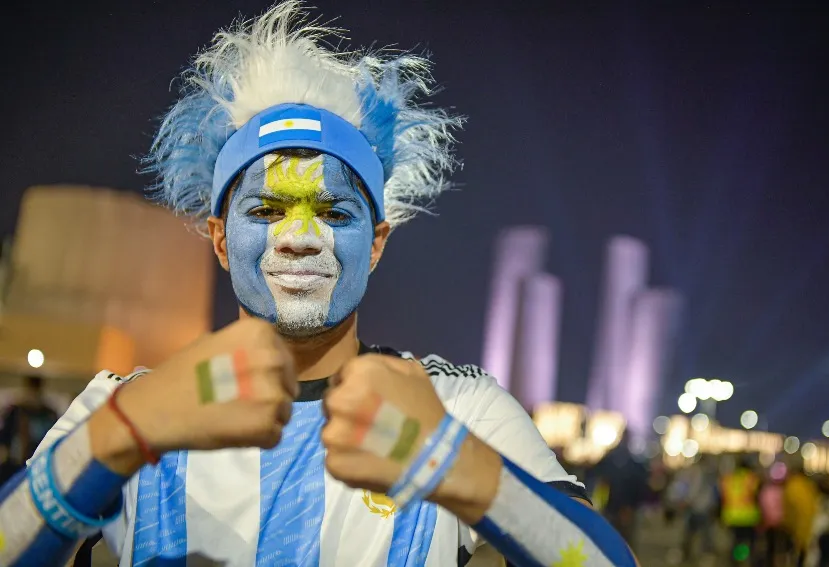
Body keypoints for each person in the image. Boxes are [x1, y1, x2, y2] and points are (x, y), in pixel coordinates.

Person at [0, 2, 638, 566]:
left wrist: (453, 463)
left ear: (378, 243)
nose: (299, 238)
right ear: (220, 239)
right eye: (266, 212)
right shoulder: (125, 403)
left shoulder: (455, 408)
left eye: (334, 214)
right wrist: (122, 435)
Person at [0, 375, 59, 483]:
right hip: (17, 459)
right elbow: (5, 436)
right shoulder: (16, 411)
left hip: (39, 459)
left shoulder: (48, 413)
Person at [720, 456, 762, 565]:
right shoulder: (751, 478)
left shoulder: (729, 478)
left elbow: (723, 497)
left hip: (731, 515)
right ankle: (747, 559)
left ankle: (736, 559)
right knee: (749, 541)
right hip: (748, 516)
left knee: (736, 540)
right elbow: (757, 495)